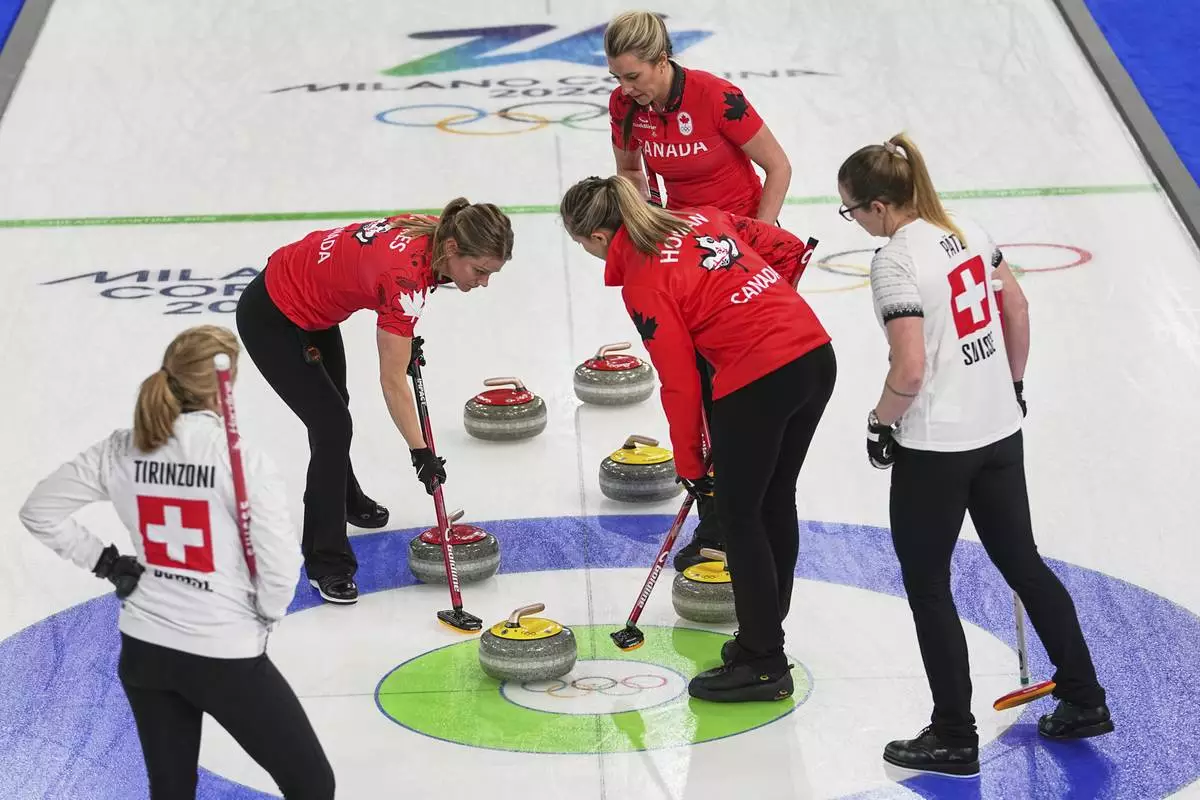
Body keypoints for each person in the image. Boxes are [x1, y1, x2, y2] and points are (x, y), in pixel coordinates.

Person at [838, 133, 1113, 777]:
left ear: (879, 206)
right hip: (998, 430)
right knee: (1024, 562)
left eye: (852, 211)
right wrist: (1011, 385)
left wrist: (880, 423)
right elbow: (1015, 306)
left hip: (936, 446)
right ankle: (1082, 695)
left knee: (928, 586)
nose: (854, 222)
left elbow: (908, 371)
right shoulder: (964, 225)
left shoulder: (895, 262)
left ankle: (953, 735)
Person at [18, 325, 334, 799]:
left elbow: (39, 510)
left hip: (146, 651)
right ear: (223, 386)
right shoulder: (239, 459)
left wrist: (106, 563)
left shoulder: (121, 448)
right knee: (311, 783)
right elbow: (280, 562)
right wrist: (264, 616)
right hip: (223, 651)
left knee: (171, 789)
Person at [560, 175, 836, 703]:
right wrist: (758, 304)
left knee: (737, 515)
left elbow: (682, 382)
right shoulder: (703, 217)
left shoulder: (643, 280)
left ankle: (763, 662)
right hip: (813, 355)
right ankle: (762, 632)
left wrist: (690, 463)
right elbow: (787, 247)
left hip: (758, 377)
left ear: (597, 237)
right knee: (775, 498)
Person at [235, 200, 514, 604]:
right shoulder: (405, 279)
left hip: (314, 308)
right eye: (481, 271)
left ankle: (346, 499)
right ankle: (325, 562)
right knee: (331, 424)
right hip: (272, 315)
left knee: (334, 407)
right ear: (453, 250)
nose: (484, 282)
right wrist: (421, 452)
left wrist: (402, 331)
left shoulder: (442, 232)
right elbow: (392, 381)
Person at [604, 10, 797, 569]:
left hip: (734, 253)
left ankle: (739, 513)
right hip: (681, 262)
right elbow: (631, 179)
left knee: (731, 389)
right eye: (617, 78)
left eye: (634, 76)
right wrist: (648, 234)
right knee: (704, 387)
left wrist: (757, 239)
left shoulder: (717, 98)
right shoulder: (626, 109)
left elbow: (778, 167)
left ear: (662, 61)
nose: (626, 90)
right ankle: (724, 515)